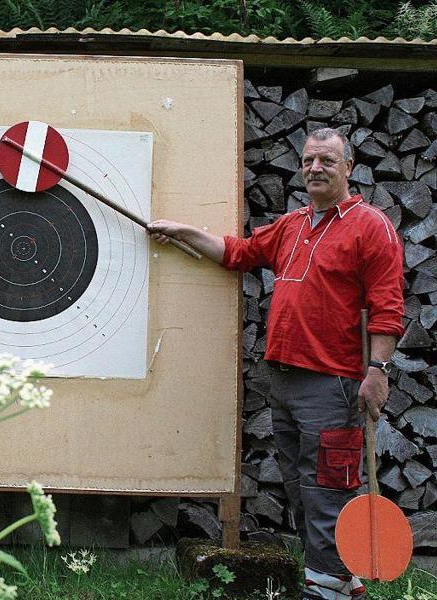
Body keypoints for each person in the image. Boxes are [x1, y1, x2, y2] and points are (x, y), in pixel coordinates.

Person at [149, 128, 404, 600]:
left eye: (327, 160)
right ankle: (339, 579)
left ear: (349, 168)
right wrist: (183, 232)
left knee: (327, 489)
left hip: (333, 384)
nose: (315, 169)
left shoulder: (370, 226)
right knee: (301, 489)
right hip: (283, 381)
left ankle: (325, 587)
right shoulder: (292, 225)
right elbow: (239, 252)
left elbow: (388, 307)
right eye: (308, 161)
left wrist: (378, 371)